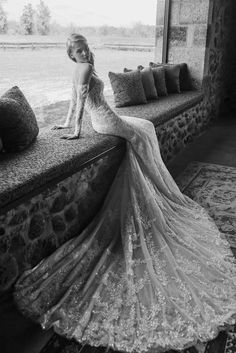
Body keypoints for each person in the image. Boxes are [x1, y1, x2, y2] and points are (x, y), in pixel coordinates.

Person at [14, 33, 236, 353]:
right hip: (103, 122)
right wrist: (74, 130)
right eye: (78, 50)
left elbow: (76, 99)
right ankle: (152, 179)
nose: (84, 52)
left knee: (144, 129)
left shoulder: (85, 65)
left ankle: (150, 178)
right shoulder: (83, 69)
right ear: (71, 55)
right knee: (142, 134)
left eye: (85, 47)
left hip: (105, 116)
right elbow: (78, 103)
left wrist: (66, 123)